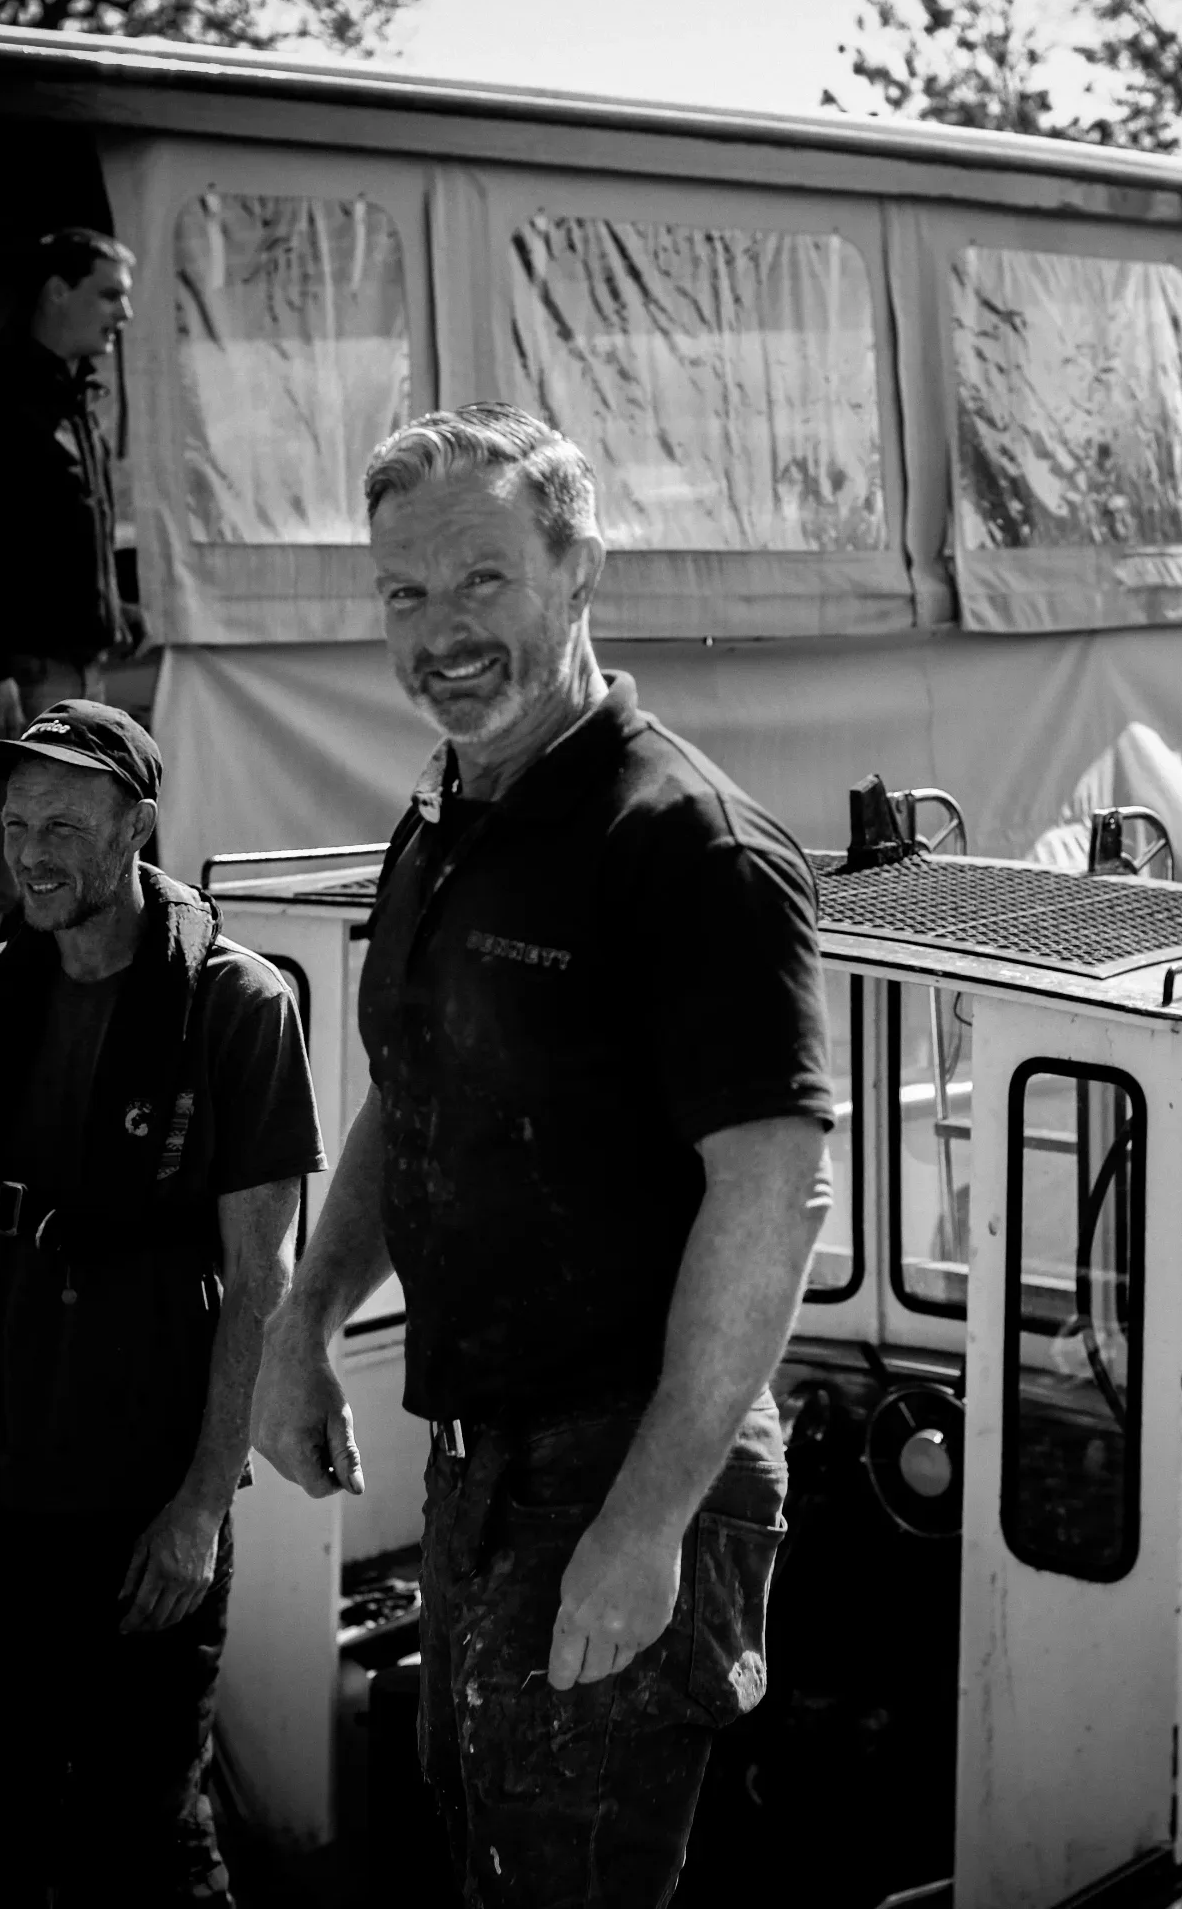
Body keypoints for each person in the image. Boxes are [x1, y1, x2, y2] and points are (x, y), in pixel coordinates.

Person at [251, 403, 834, 1906]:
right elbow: (413, 1091)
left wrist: (643, 1527)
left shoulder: (688, 845)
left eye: (483, 580)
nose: (439, 632)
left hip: (631, 1464)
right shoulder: (446, 821)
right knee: (484, 1848)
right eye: (403, 594)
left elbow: (772, 1196)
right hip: (479, 1468)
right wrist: (305, 1321)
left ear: (581, 572)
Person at [0, 701, 325, 1907]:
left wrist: (197, 1510)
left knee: (147, 1844)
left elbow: (262, 1283)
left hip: (146, 1522)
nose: (31, 851)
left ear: (137, 826)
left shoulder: (236, 1008)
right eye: (19, 821)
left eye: (67, 824)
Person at [0, 227, 142, 977]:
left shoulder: (70, 394)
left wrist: (118, 614)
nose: (124, 314)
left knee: (65, 881)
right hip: (15, 681)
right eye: (109, 293)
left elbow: (67, 532)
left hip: (77, 674)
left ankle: (32, 1064)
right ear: (56, 291)